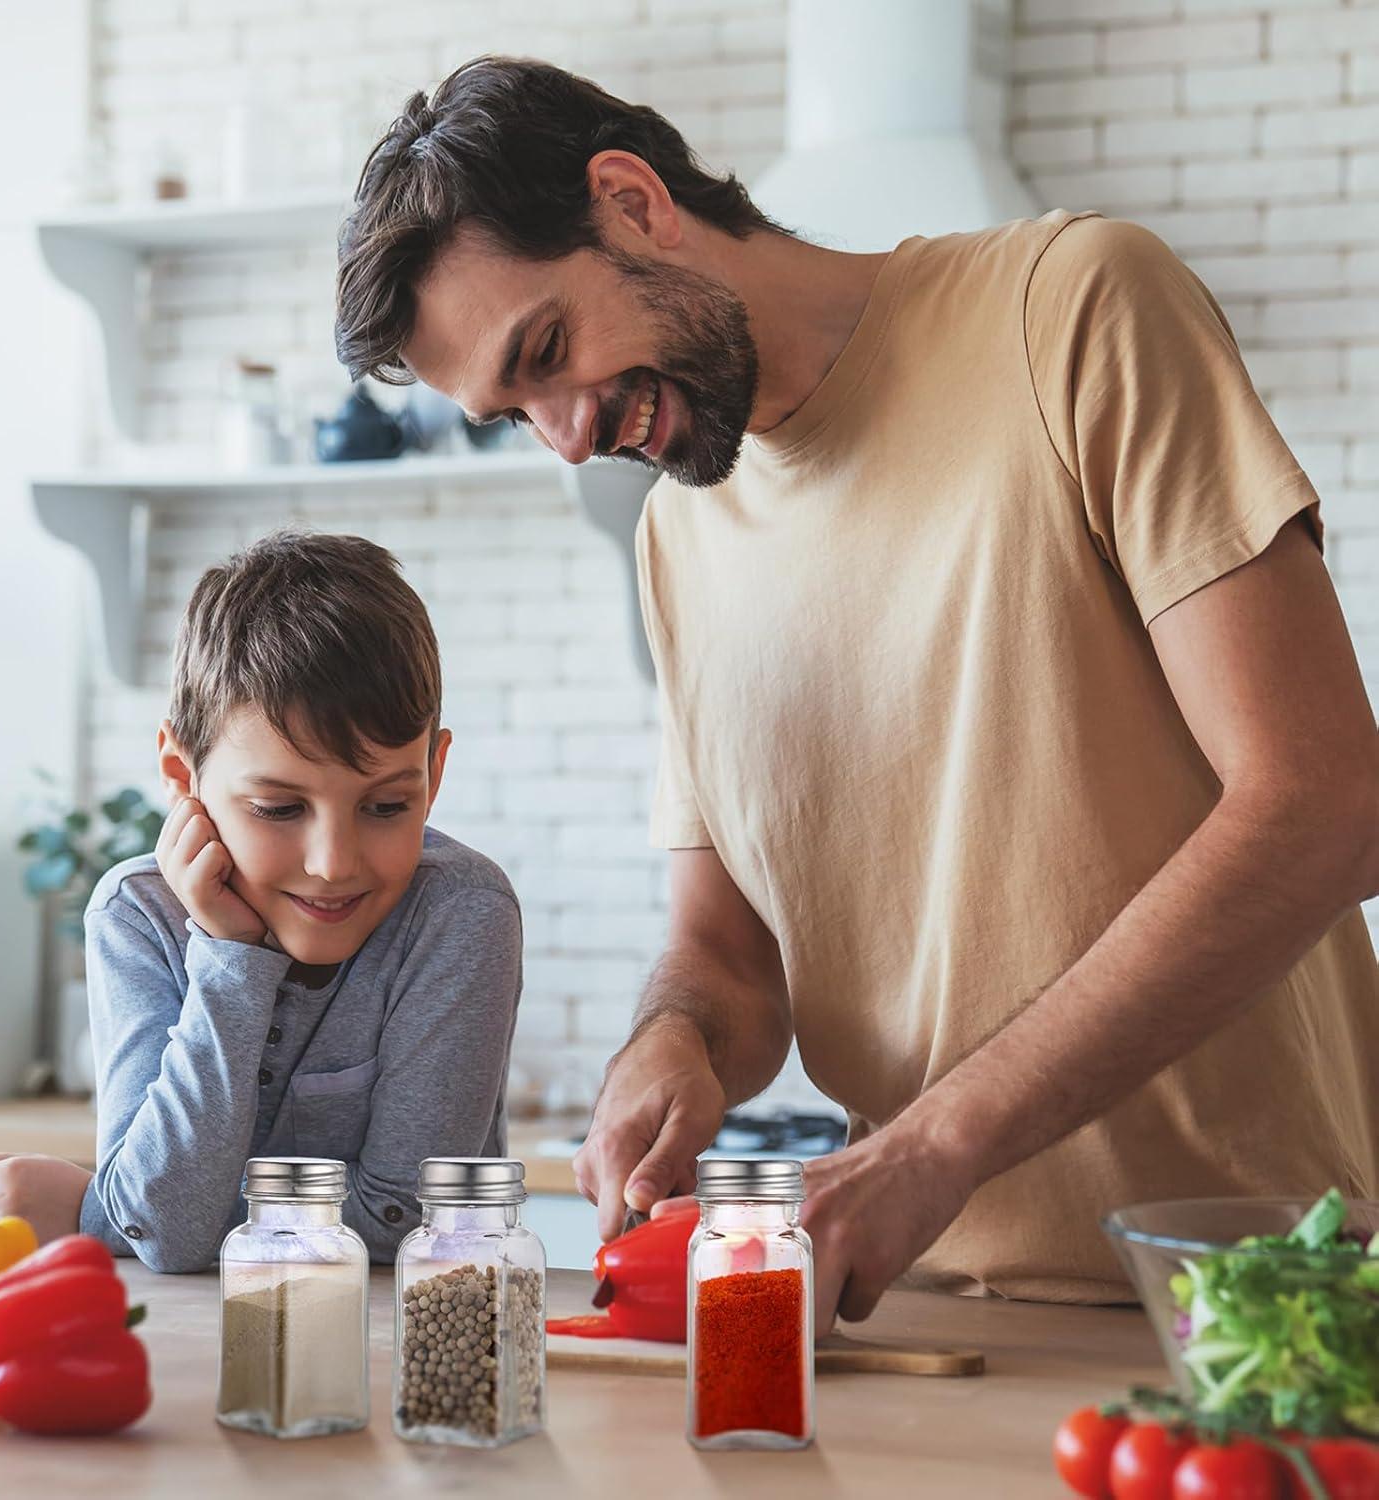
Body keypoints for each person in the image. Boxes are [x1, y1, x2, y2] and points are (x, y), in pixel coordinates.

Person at [334, 56, 1379, 1331]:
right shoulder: (681, 539)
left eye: (548, 351)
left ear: (632, 201)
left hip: (1253, 1289)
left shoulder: (1072, 310)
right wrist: (676, 1041)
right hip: (908, 1311)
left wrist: (934, 1145)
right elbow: (726, 957)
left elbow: (1328, 803)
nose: (566, 433)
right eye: (515, 412)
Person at [0, 530, 523, 1271]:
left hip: (400, 1352)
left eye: (385, 807)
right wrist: (229, 959)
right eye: (279, 809)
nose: (332, 864)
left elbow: (405, 1222)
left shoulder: (460, 914)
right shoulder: (139, 918)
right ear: (181, 778)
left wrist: (101, 1212)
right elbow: (164, 1229)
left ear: (433, 775)